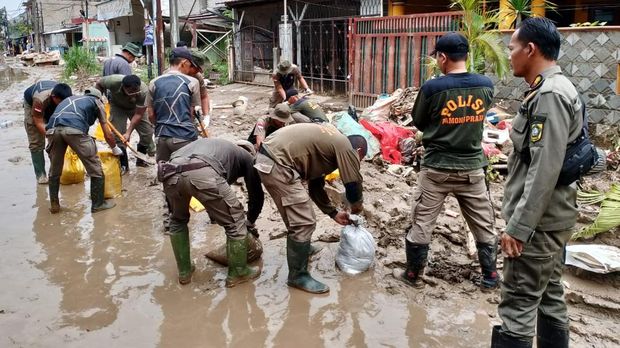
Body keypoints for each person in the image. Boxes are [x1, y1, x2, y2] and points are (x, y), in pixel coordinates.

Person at [492, 17, 581, 348]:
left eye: (512, 48)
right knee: (549, 295)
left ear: (530, 50)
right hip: (551, 220)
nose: (510, 54)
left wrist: (518, 227)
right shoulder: (552, 89)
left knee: (517, 304)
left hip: (538, 226)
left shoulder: (549, 95)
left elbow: (545, 168)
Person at [402, 32, 498, 291]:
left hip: (436, 169)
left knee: (422, 223)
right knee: (483, 224)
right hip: (473, 169)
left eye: (438, 58)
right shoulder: (486, 85)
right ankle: (490, 276)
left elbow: (420, 122)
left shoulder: (433, 88)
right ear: (466, 55)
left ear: (443, 58)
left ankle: (413, 275)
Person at [254, 123, 367, 294]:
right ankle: (297, 276)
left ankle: (303, 248)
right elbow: (353, 184)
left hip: (271, 157)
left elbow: (315, 187)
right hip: (277, 163)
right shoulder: (346, 146)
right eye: (360, 160)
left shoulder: (328, 147)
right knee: (304, 221)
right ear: (358, 152)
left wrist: (333, 213)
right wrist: (357, 209)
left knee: (297, 212)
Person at [161, 138, 264, 286]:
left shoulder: (218, 148)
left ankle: (185, 272)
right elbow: (256, 196)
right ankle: (238, 273)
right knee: (236, 222)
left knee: (177, 220)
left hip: (170, 170)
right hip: (202, 171)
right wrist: (249, 222)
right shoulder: (246, 157)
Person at [46, 88, 123, 214]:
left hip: (52, 131)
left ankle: (54, 205)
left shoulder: (69, 99)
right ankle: (98, 204)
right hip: (74, 130)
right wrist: (114, 148)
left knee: (54, 170)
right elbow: (107, 133)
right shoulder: (97, 102)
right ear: (99, 98)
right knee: (95, 168)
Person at [147, 47, 202, 162]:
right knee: (185, 172)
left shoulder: (153, 83)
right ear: (184, 63)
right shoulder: (192, 82)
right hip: (184, 136)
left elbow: (151, 115)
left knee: (164, 172)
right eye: (190, 64)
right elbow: (192, 114)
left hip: (161, 136)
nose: (190, 68)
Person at [96, 74, 154, 170]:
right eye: (131, 92)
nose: (134, 94)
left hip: (136, 108)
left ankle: (140, 160)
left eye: (136, 91)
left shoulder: (144, 91)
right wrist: (98, 99)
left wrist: (128, 133)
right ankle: (124, 165)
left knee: (147, 132)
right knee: (119, 135)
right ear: (123, 87)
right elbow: (99, 84)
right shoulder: (113, 81)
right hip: (117, 107)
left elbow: (139, 115)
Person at [23, 81, 72, 183]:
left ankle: (56, 171)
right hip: (33, 104)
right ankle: (41, 176)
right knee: (36, 141)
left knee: (59, 133)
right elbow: (38, 122)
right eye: (61, 102)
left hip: (51, 103)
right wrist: (51, 136)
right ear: (54, 97)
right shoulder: (39, 100)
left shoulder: (68, 97)